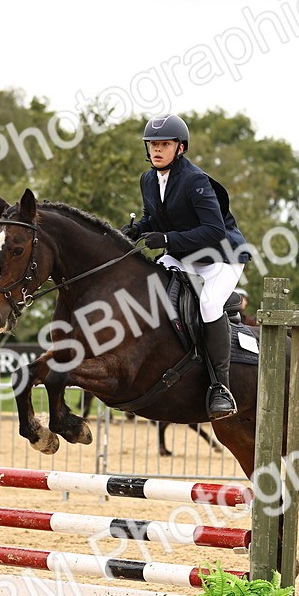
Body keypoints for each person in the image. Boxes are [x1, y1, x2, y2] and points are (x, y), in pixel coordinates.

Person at [121, 114, 251, 420]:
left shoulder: (195, 181)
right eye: (153, 144)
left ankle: (221, 387)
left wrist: (166, 238)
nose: (157, 149)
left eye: (165, 144)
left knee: (207, 305)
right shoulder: (148, 179)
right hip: (182, 254)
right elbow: (156, 216)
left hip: (220, 257)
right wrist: (136, 230)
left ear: (180, 148)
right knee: (148, 287)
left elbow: (214, 231)